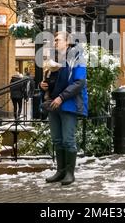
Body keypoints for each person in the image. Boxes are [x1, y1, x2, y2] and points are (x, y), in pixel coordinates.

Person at [40, 31, 88, 186]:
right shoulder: (55, 60)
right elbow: (52, 81)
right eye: (54, 40)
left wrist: (62, 97)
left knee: (68, 140)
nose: (55, 42)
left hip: (69, 103)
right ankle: (60, 171)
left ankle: (69, 173)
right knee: (57, 139)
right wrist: (44, 85)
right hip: (54, 104)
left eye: (58, 40)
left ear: (67, 41)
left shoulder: (77, 58)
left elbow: (79, 82)